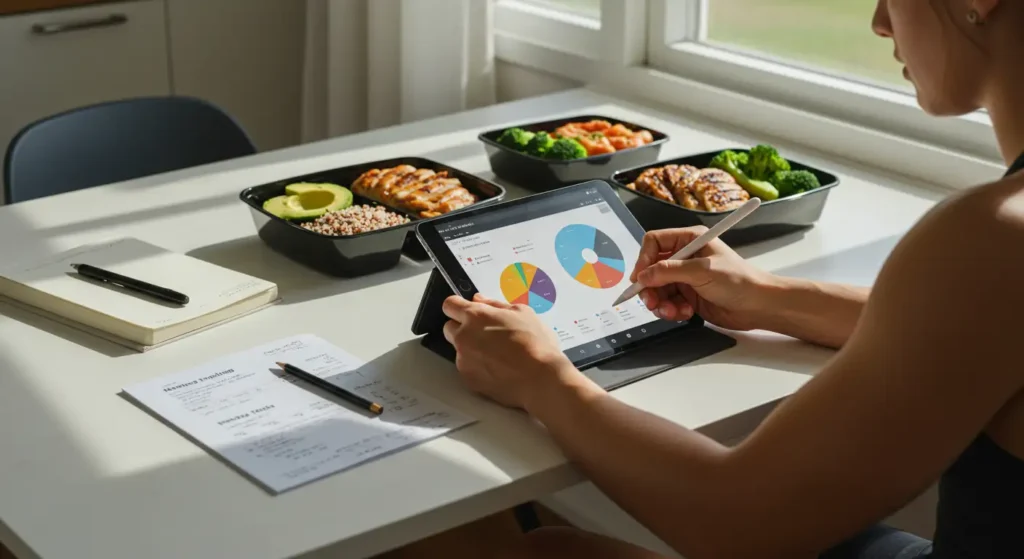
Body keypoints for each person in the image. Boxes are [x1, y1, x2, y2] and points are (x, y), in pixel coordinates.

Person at [440, 1, 1024, 557]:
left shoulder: (994, 233)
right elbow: (967, 329)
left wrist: (543, 379)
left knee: (543, 551)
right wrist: (770, 298)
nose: (877, 22)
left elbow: (737, 524)